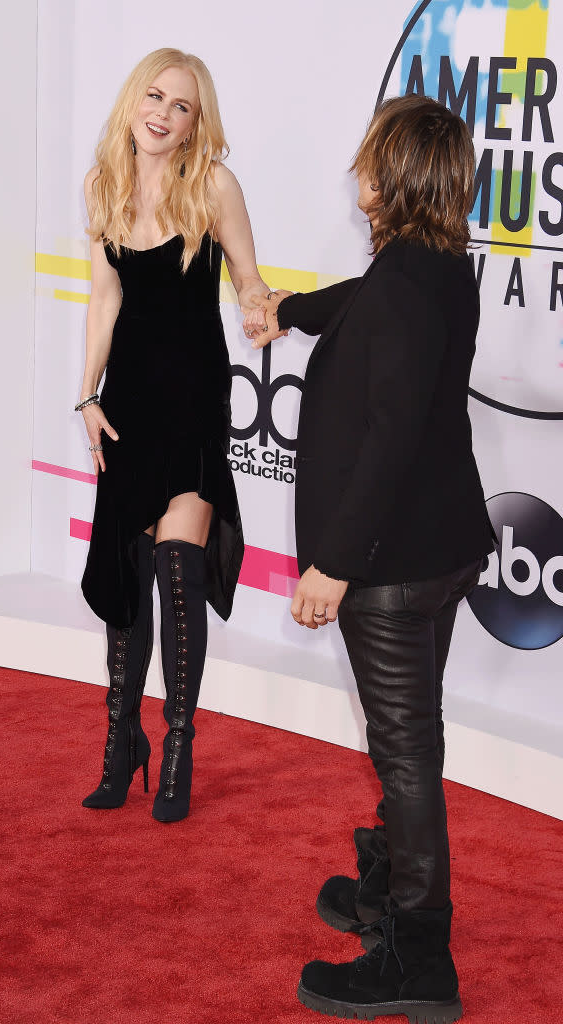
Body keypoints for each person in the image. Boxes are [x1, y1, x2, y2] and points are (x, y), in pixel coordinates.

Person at [244, 95, 495, 1022]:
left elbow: (387, 440)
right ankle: (394, 899)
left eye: (365, 156)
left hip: (388, 571)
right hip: (443, 550)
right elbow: (363, 306)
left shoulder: (405, 280)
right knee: (410, 748)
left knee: (405, 759)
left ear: (388, 173)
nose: (355, 170)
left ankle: (418, 958)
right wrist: (289, 311)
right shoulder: (436, 268)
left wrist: (333, 566)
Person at [77, 48, 269, 823]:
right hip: (126, 406)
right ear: (133, 100)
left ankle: (179, 745)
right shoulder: (104, 188)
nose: (163, 112)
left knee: (178, 575)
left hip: (193, 403)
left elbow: (248, 278)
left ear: (197, 123)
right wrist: (85, 397)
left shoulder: (213, 185)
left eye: (181, 106)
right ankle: (123, 744)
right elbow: (102, 302)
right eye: (154, 96)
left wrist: (260, 304)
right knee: (126, 590)